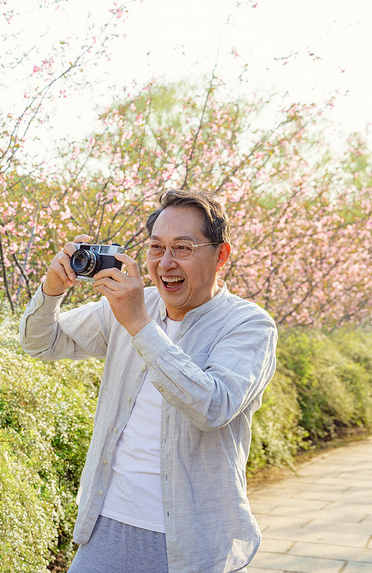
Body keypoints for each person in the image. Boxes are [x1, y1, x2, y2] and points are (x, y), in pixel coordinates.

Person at [19, 190, 278, 572]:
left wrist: (139, 323)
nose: (166, 262)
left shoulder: (248, 325)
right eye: (156, 247)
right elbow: (41, 342)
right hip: (106, 523)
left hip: (192, 540)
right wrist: (52, 289)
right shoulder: (135, 304)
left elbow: (212, 406)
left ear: (221, 255)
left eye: (183, 248)